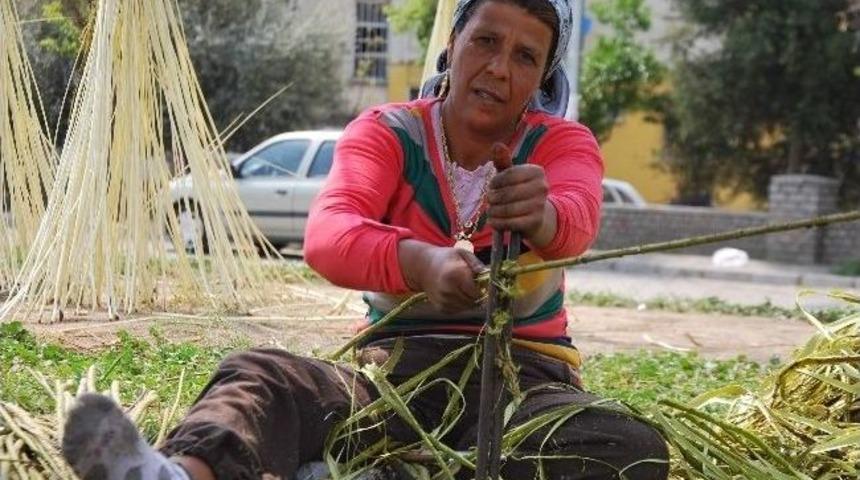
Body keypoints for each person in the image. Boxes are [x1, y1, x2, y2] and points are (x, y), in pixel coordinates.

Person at [61, 1, 670, 479]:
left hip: (523, 383)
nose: (499, 68)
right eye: (485, 40)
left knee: (625, 444)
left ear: (542, 74)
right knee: (260, 377)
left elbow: (577, 217)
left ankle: (382, 473)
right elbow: (329, 236)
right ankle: (178, 474)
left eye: (525, 56)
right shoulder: (386, 132)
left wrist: (540, 216)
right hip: (392, 377)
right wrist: (421, 262)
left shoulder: (562, 144)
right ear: (452, 43)